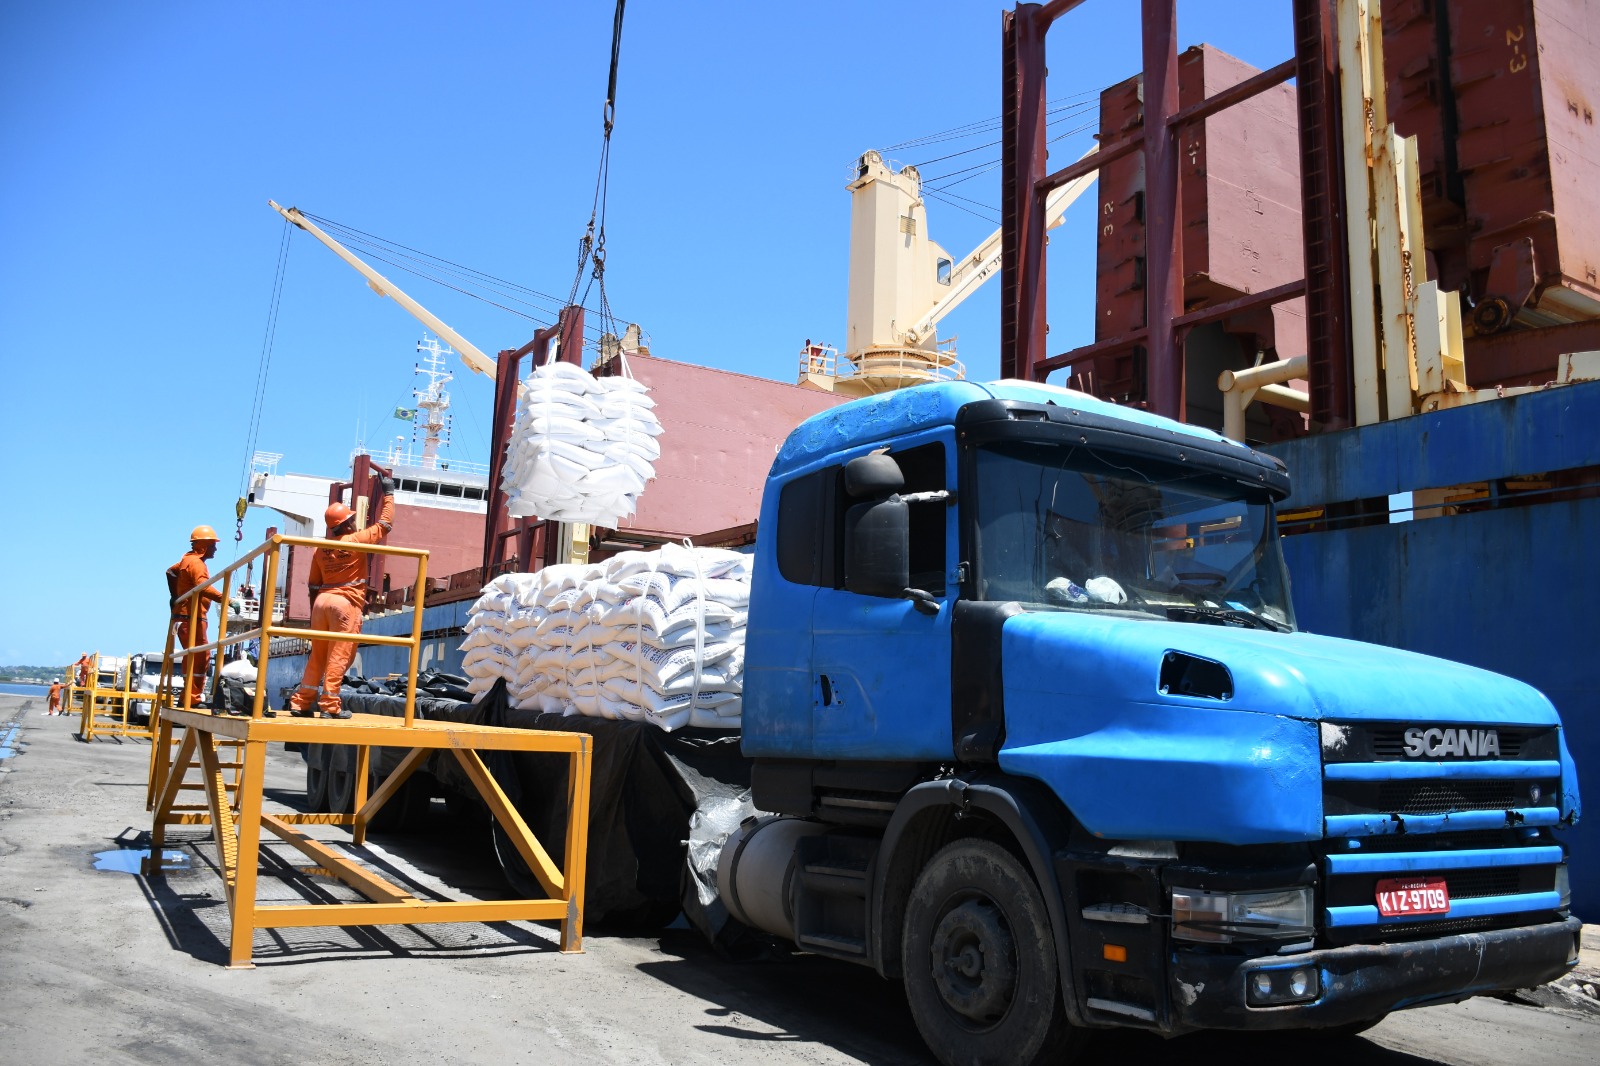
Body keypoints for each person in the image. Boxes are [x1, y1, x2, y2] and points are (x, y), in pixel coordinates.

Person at [288, 479, 395, 718]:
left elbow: (313, 584)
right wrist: (389, 494)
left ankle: (300, 703)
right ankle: (329, 706)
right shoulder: (356, 540)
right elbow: (385, 524)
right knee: (339, 655)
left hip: (321, 602)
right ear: (347, 523)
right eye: (351, 519)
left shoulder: (320, 548)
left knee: (318, 655)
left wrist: (314, 617)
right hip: (345, 604)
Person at [167, 525, 224, 706]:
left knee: (193, 655)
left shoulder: (186, 560)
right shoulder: (197, 564)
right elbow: (203, 587)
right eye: (213, 544)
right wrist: (226, 600)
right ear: (204, 545)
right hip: (191, 618)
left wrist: (174, 596)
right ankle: (192, 698)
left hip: (184, 617)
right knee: (199, 657)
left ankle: (188, 697)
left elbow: (170, 572)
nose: (216, 548)